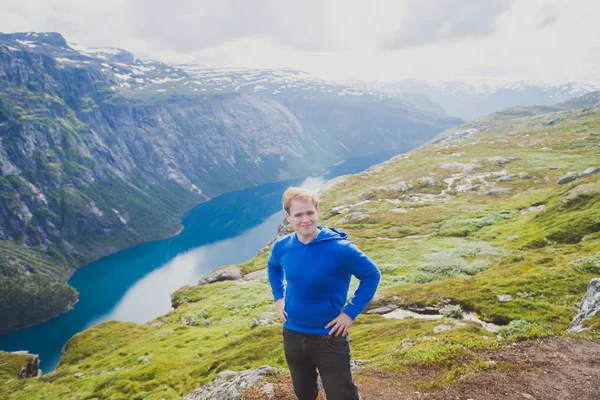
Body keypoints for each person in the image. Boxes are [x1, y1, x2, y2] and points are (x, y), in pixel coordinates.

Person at [267, 186, 381, 400]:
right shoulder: (282, 246)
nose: (305, 219)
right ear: (288, 217)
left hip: (329, 336)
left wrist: (349, 314)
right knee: (304, 393)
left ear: (317, 211)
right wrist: (279, 298)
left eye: (309, 212)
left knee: (341, 395)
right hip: (292, 333)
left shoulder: (340, 248)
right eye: (298, 214)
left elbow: (372, 275)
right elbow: (273, 267)